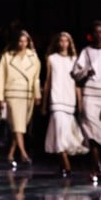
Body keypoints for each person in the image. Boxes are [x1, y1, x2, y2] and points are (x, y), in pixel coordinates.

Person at [71, 20, 101, 183]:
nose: (98, 35)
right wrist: (86, 71)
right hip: (90, 94)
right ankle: (96, 166)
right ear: (91, 35)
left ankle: (96, 164)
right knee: (91, 132)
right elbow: (75, 73)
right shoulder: (86, 51)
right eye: (95, 32)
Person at [42, 31, 88, 177]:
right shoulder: (51, 59)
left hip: (69, 100)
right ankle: (66, 164)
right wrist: (44, 103)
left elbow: (77, 83)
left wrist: (80, 101)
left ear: (69, 43)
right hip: (56, 99)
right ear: (57, 43)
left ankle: (63, 163)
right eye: (61, 41)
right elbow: (48, 81)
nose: (63, 44)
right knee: (59, 128)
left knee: (64, 132)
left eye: (66, 41)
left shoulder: (75, 60)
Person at [0, 29, 42, 167]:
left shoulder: (33, 57)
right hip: (12, 93)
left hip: (27, 94)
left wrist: (37, 95)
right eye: (20, 41)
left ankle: (11, 152)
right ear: (15, 41)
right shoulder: (7, 56)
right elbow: (1, 78)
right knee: (18, 125)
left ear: (28, 42)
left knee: (21, 126)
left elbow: (36, 78)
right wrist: (0, 98)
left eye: (25, 41)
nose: (22, 44)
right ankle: (23, 154)